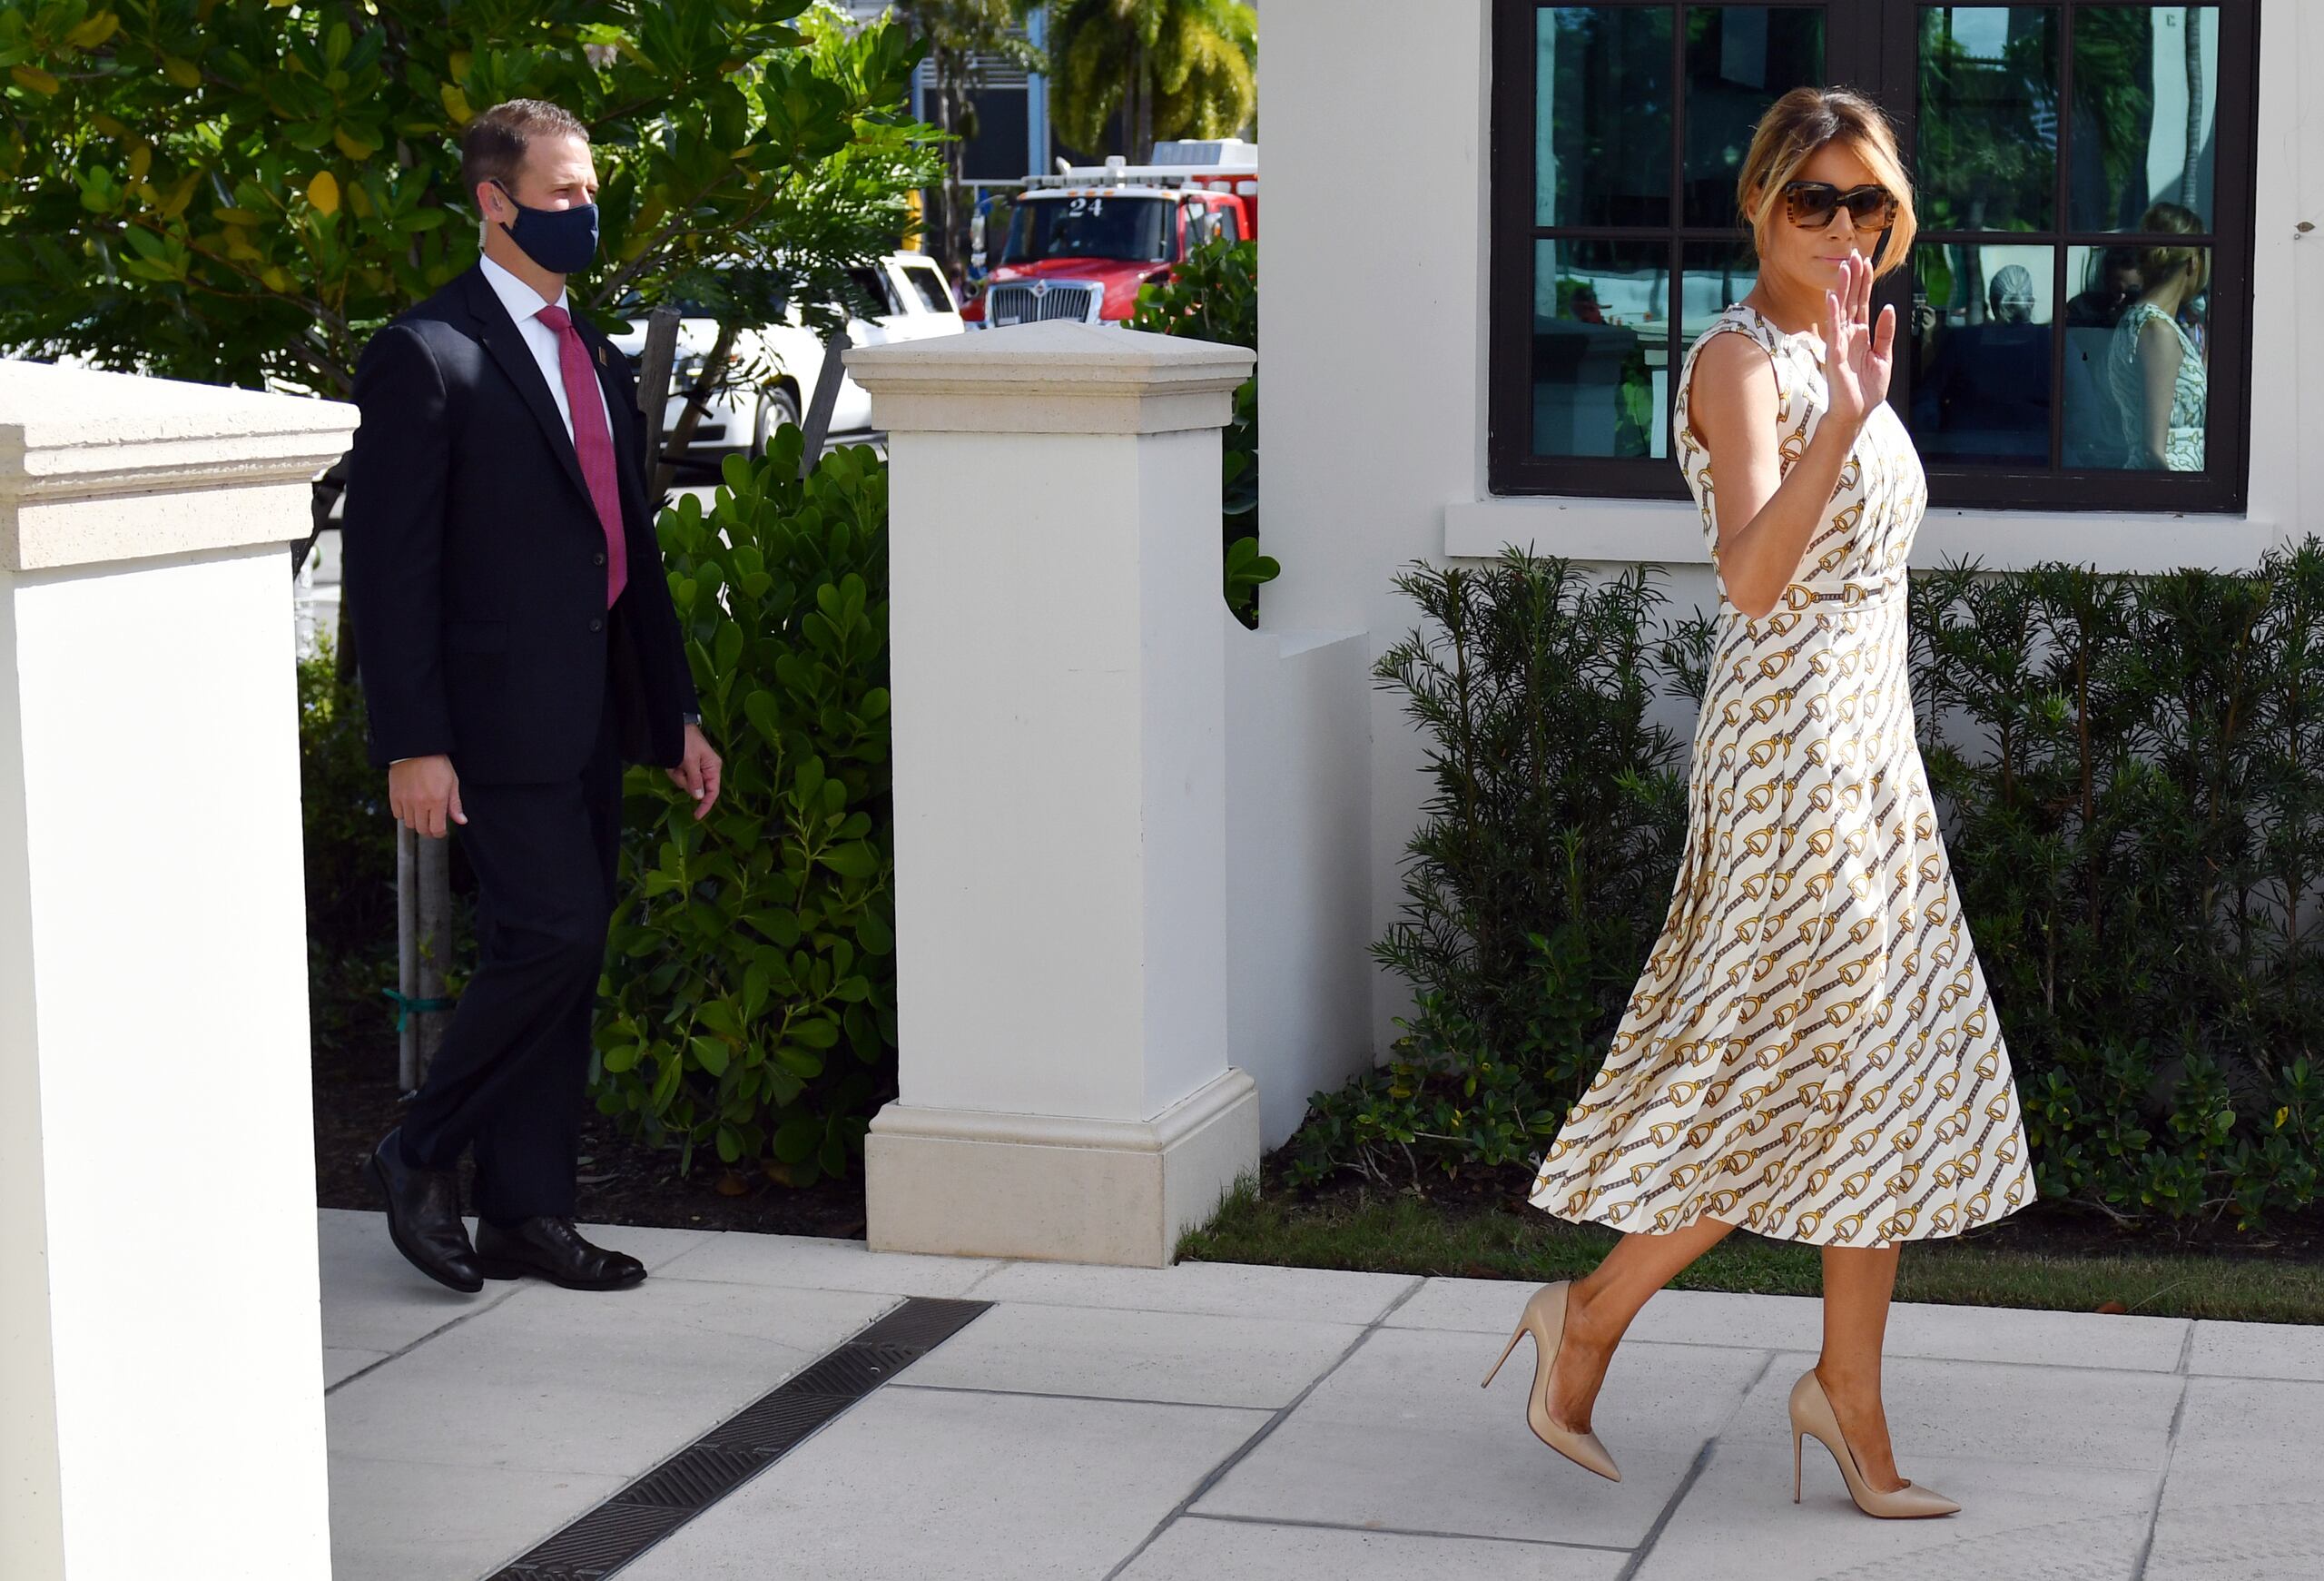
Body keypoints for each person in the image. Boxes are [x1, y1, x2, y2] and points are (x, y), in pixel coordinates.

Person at [1494, 86, 2035, 1519]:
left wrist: (1857, 398)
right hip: (1787, 758)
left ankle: (1842, 1397)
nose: (1847, 226)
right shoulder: (1742, 365)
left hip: (1869, 754)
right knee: (1802, 1065)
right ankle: (1595, 1312)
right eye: (1817, 200)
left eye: (1871, 203)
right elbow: (1749, 575)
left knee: (1882, 1074)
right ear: (1758, 204)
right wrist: (1845, 422)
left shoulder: (1845, 351)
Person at [343, 99, 723, 1295]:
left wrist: (669, 715)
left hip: (593, 715)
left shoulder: (592, 353)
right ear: (492, 202)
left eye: (589, 188)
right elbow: (388, 571)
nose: (584, 210)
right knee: (557, 931)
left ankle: (525, 1212)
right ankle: (419, 1148)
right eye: (560, 192)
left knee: (561, 959)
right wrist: (414, 741)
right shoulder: (427, 354)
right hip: (489, 723)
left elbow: (628, 554)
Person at [1910, 262, 2049, 460]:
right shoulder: (2053, 343)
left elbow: (1926, 400)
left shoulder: (1963, 341)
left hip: (1964, 462)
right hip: (2040, 463)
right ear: (2031, 303)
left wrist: (1931, 443)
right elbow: (2084, 412)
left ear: (1992, 304)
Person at [2107, 203, 2208, 471]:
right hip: (2175, 488)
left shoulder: (2142, 321)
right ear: (2194, 261)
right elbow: (2154, 450)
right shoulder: (2156, 331)